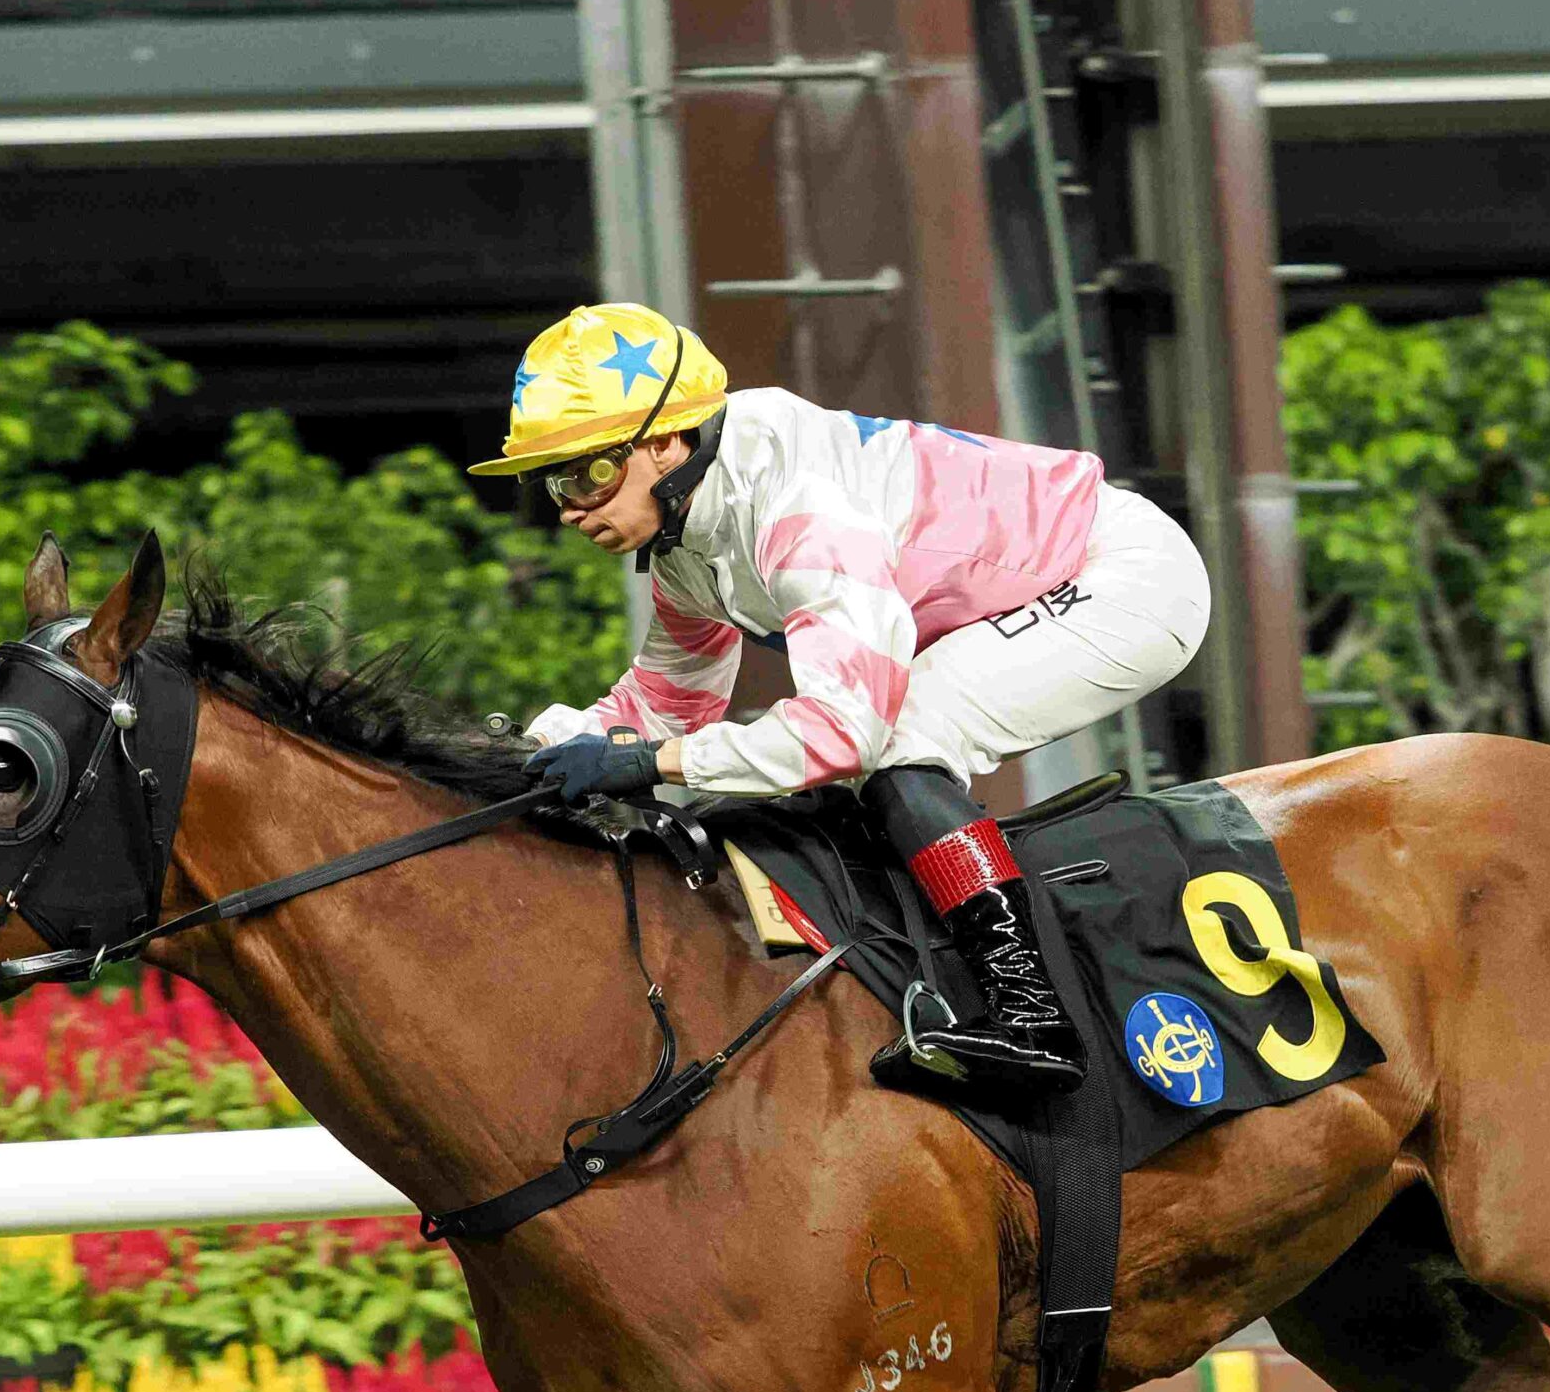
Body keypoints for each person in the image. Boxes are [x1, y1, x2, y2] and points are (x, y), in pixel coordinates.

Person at [469, 303, 1210, 1099]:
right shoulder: (688, 535)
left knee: (898, 745)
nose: (570, 508)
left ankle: (1034, 1017)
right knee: (874, 757)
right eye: (554, 481)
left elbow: (841, 730)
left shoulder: (800, 509)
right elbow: (667, 702)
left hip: (1123, 577)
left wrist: (651, 762)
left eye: (588, 474)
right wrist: (529, 753)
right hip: (1045, 582)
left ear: (664, 441)